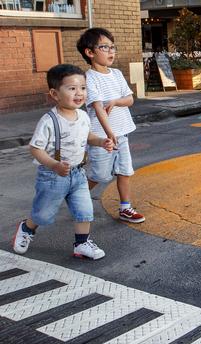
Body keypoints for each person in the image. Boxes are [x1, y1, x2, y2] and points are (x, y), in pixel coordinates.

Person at [12, 64, 114, 260]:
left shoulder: (83, 116)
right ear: (54, 93)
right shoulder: (49, 120)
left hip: (77, 174)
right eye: (72, 88)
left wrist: (101, 141)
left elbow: (88, 136)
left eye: (83, 88)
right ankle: (27, 227)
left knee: (85, 211)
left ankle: (82, 243)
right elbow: (35, 148)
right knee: (43, 213)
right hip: (52, 176)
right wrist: (54, 165)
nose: (79, 93)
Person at [76, 28, 145, 224]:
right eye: (104, 47)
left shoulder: (116, 73)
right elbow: (97, 108)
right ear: (90, 52)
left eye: (112, 47)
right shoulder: (89, 78)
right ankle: (76, 197)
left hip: (122, 134)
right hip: (102, 138)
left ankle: (125, 208)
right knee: (99, 175)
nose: (111, 51)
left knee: (125, 171)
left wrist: (115, 102)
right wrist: (109, 133)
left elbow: (129, 99)